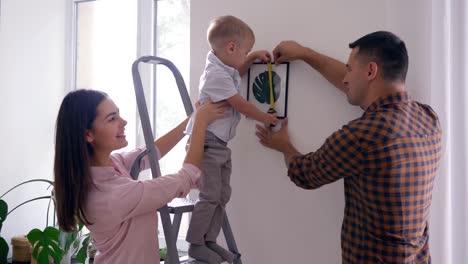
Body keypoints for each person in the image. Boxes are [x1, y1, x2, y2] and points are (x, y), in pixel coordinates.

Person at [255, 31, 442, 263]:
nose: (345, 78)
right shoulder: (428, 118)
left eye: (350, 70)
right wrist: (305, 54)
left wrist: (284, 146)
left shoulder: (363, 135)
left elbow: (305, 174)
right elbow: (360, 90)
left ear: (371, 71)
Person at [53, 89, 228, 263]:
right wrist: (200, 123)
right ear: (88, 134)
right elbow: (186, 176)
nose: (124, 121)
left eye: (119, 115)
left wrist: (192, 119)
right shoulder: (109, 195)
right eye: (112, 118)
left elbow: (150, 153)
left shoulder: (112, 164)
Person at [185, 15, 277, 263]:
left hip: (219, 145)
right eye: (244, 51)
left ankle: (209, 240)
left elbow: (238, 71)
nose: (244, 57)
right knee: (210, 195)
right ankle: (195, 243)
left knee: (223, 194)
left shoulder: (224, 68)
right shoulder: (214, 75)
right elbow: (241, 104)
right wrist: (266, 118)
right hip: (207, 144)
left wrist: (253, 56)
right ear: (232, 48)